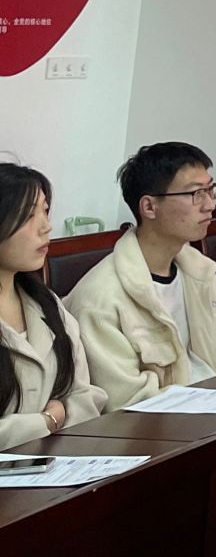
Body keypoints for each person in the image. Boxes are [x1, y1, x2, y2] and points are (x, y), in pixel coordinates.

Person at [70, 142, 216, 409]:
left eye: (210, 190)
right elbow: (129, 402)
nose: (210, 205)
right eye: (196, 193)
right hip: (167, 425)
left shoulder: (200, 272)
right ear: (149, 207)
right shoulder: (100, 299)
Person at [0, 164, 104, 447]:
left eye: (45, 211)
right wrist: (46, 421)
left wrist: (61, 418)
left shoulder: (47, 303)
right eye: (28, 215)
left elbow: (85, 397)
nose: (46, 226)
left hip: (58, 462)